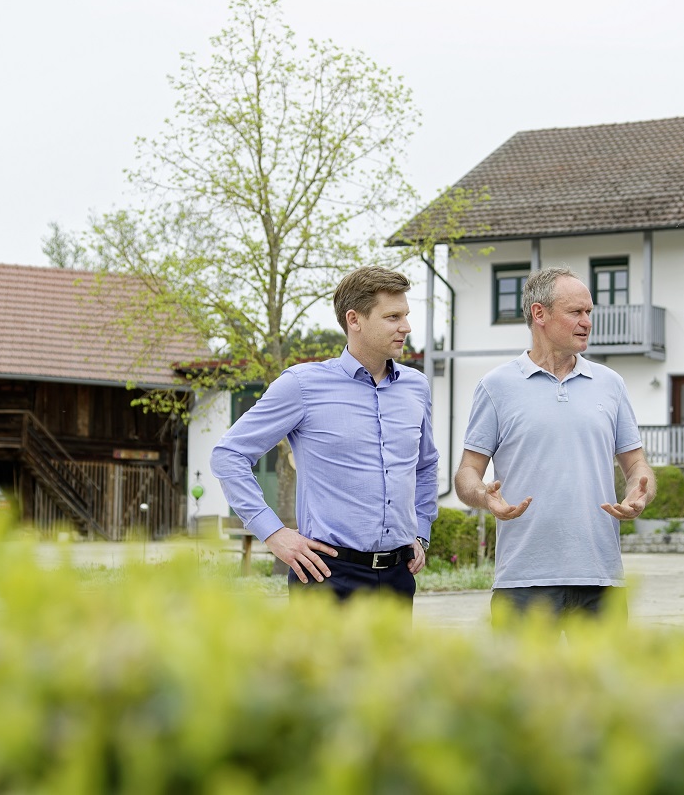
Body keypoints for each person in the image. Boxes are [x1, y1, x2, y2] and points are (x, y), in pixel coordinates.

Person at [210, 266, 438, 606]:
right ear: (354, 319)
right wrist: (273, 533)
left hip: (397, 578)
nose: (406, 326)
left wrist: (421, 532)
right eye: (393, 317)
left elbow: (426, 465)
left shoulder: (416, 387)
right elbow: (228, 455)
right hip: (326, 577)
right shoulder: (302, 385)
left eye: (405, 315)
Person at [454, 267, 656, 624]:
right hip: (522, 581)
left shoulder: (610, 384)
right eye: (575, 312)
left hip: (601, 580)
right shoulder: (495, 386)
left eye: (589, 312)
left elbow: (637, 466)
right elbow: (468, 472)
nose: (587, 322)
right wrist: (484, 496)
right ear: (539, 314)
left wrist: (640, 493)